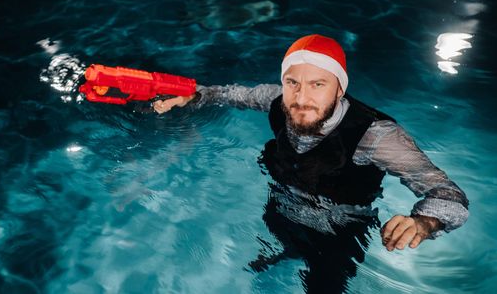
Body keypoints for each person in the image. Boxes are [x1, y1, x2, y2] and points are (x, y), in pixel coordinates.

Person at [152, 34, 469, 292]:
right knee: (283, 234)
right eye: (293, 83)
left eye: (318, 84)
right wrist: (195, 96)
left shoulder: (376, 135)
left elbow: (449, 196)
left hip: (339, 227)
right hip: (283, 201)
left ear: (340, 88)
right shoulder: (277, 99)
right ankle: (288, 252)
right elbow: (231, 94)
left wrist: (424, 223)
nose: (302, 97)